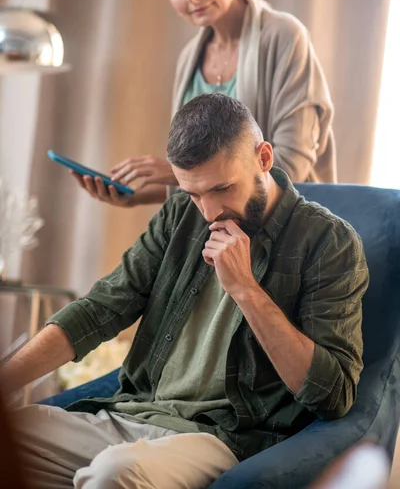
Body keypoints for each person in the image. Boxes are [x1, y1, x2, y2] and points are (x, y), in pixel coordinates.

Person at [2, 94, 366, 489]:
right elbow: (99, 310)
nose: (209, 212)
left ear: (263, 158)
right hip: (133, 414)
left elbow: (333, 394)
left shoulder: (328, 242)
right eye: (194, 193)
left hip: (218, 437)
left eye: (222, 188)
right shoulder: (179, 215)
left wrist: (245, 289)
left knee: (114, 472)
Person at [74, 0, 336, 209]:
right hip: (218, 226)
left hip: (286, 227)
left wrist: (175, 172)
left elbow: (290, 169)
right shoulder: (190, 57)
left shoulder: (284, 36)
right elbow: (208, 188)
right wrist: (136, 197)